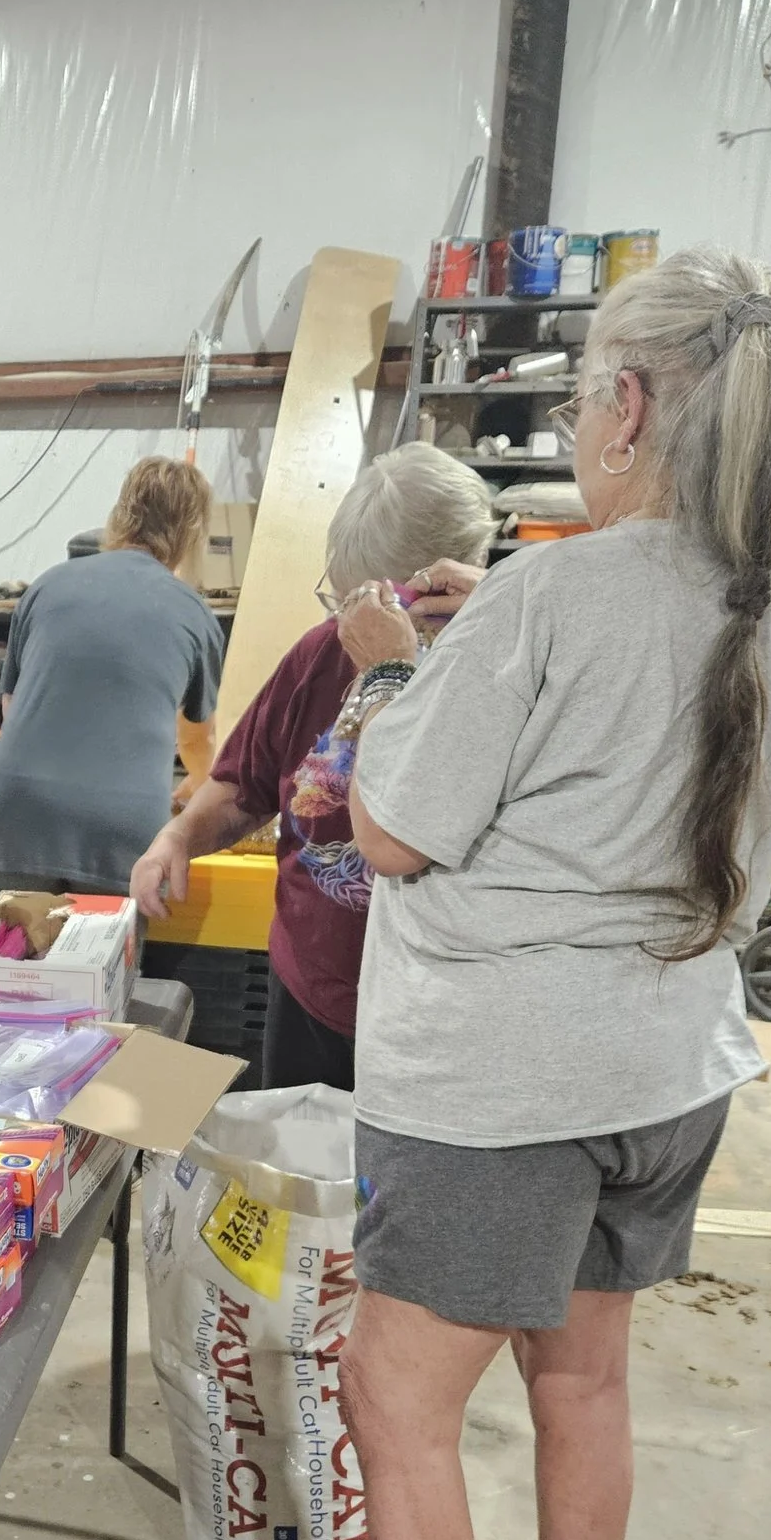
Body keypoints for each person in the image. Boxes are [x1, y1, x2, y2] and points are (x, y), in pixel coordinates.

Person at [226, 247, 771, 1540]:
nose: (574, 423)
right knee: (586, 1381)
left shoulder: (557, 590)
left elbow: (396, 829)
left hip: (506, 1086)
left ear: (628, 404)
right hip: (671, 1063)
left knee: (397, 1400)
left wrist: (394, 667)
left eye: (579, 396)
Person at [128, 444, 492, 1090]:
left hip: (438, 1029)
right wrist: (177, 836)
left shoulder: (498, 676)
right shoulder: (322, 654)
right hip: (309, 998)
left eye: (382, 604)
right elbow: (247, 783)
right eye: (343, 600)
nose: (354, 626)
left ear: (447, 582)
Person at [0, 456, 229, 906]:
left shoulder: (46, 586)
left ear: (120, 514)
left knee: (3, 974)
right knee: (98, 975)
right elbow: (198, 739)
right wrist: (199, 784)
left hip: (12, 816)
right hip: (119, 830)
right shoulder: (194, 613)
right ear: (191, 531)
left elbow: (15, 710)